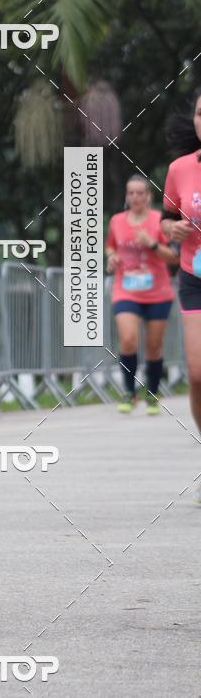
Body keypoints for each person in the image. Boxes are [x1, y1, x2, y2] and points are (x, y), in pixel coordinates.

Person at [105, 174, 178, 414]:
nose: (135, 197)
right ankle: (129, 392)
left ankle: (153, 392)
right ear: (127, 196)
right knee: (127, 339)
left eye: (140, 193)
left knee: (153, 347)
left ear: (148, 196)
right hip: (126, 289)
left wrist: (152, 244)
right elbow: (111, 245)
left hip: (158, 291)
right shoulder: (117, 220)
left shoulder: (160, 221)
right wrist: (111, 258)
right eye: (131, 193)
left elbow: (174, 257)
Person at [162, 87, 201, 505]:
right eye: (199, 114)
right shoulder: (180, 169)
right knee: (197, 372)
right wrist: (171, 230)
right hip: (195, 274)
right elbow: (167, 218)